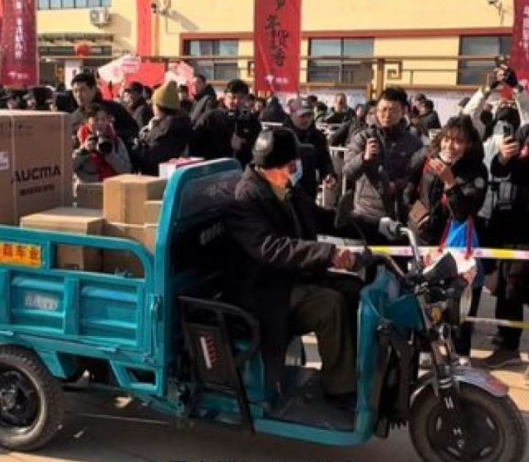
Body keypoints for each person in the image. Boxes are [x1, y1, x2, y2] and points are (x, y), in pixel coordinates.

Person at [225, 127, 365, 405]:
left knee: (355, 290)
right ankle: (340, 389)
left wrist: (368, 227)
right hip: (264, 291)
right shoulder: (245, 199)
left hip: (290, 277)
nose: (297, 167)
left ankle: (358, 371)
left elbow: (317, 216)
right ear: (278, 165)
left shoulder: (284, 187)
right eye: (293, 162)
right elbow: (271, 248)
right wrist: (328, 253)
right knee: (330, 305)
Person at [344, 87, 424, 242]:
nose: (386, 115)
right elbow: (348, 172)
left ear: (404, 111)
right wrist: (364, 158)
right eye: (383, 109)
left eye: (393, 110)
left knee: (396, 263)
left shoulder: (413, 142)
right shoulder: (363, 137)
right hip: (366, 215)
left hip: (399, 217)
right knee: (366, 263)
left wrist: (398, 184)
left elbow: (415, 177)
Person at [482, 124, 529, 368]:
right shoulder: (524, 132)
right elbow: (498, 169)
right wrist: (504, 156)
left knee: (516, 285)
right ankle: (507, 346)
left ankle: (509, 344)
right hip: (509, 224)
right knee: (507, 286)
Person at [191, 79, 261, 168]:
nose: (236, 101)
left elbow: (259, 147)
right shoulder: (210, 117)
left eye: (241, 98)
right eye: (232, 97)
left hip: (241, 171)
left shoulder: (251, 120)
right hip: (215, 170)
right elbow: (195, 144)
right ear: (224, 96)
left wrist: (244, 143)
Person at [131, 81, 192, 176]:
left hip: (158, 182)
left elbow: (150, 161)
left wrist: (139, 145)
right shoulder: (181, 124)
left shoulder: (164, 131)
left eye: (153, 104)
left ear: (159, 107)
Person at [285, 97, 337, 199]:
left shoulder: (317, 136)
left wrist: (329, 174)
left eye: (309, 115)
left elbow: (324, 160)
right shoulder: (281, 136)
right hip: (284, 190)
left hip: (308, 190)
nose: (306, 120)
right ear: (292, 115)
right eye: (302, 116)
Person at [70, 72, 138, 147]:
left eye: (82, 90)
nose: (78, 95)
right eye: (75, 91)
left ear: (93, 89)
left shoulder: (113, 108)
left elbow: (133, 130)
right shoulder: (74, 117)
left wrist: (111, 135)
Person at [73, 104, 132, 183]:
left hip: (112, 187)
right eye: (96, 120)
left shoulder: (116, 141)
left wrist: (109, 154)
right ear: (87, 122)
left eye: (103, 119)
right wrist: (84, 151)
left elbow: (126, 170)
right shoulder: (77, 140)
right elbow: (67, 168)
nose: (100, 123)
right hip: (88, 189)